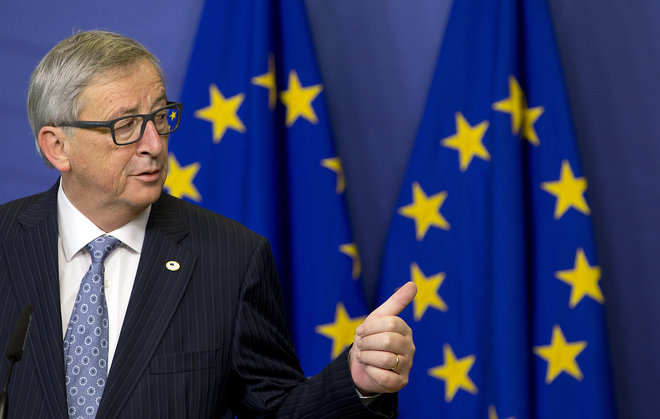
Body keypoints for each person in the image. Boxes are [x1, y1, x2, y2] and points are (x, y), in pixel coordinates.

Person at [0, 30, 416, 418]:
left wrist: (357, 382)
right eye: (125, 126)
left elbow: (275, 409)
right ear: (57, 146)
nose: (154, 145)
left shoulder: (230, 259)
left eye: (160, 117)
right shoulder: (5, 241)